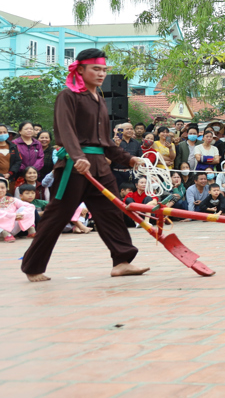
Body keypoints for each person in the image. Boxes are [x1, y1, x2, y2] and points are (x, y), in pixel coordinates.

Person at [20, 49, 149, 281]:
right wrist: (78, 156)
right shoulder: (67, 96)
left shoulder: (99, 99)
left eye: (104, 70)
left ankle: (121, 261)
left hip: (100, 166)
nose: (101, 74)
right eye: (96, 69)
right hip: (74, 167)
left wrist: (128, 159)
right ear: (80, 69)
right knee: (57, 216)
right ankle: (33, 266)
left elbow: (105, 141)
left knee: (111, 212)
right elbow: (65, 130)